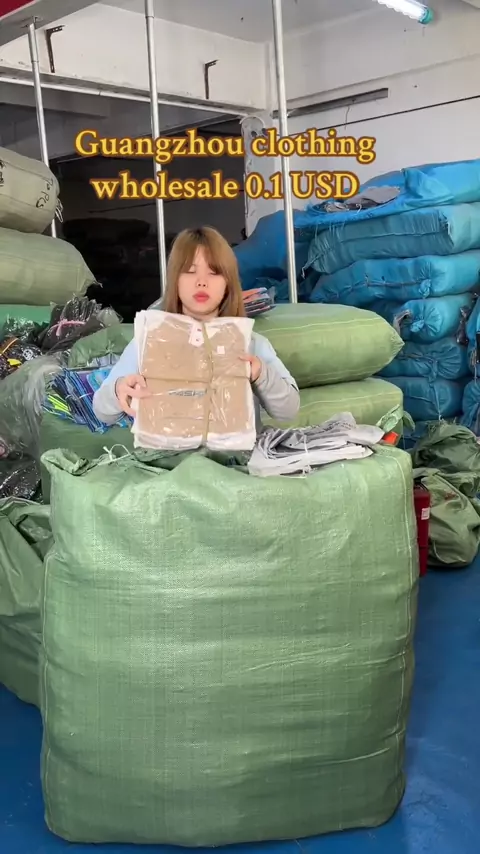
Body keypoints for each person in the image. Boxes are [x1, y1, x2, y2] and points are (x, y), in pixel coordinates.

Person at [92, 226, 300, 431]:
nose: (201, 282)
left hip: (237, 452)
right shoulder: (149, 342)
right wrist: (119, 389)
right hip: (168, 452)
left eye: (214, 273)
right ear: (175, 281)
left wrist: (261, 374)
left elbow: (288, 411)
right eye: (190, 272)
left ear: (228, 283)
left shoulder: (251, 345)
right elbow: (102, 412)